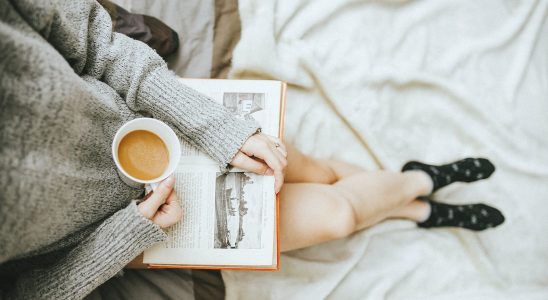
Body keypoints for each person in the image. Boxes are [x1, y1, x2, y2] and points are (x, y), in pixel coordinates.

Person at [0, 0, 286, 299]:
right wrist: (120, 242)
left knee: (287, 162)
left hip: (150, 116)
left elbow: (93, 39)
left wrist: (214, 125)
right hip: (109, 235)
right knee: (337, 214)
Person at [277, 145, 504, 251]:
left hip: (244, 145)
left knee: (316, 174)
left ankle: (419, 205)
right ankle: (421, 183)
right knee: (339, 215)